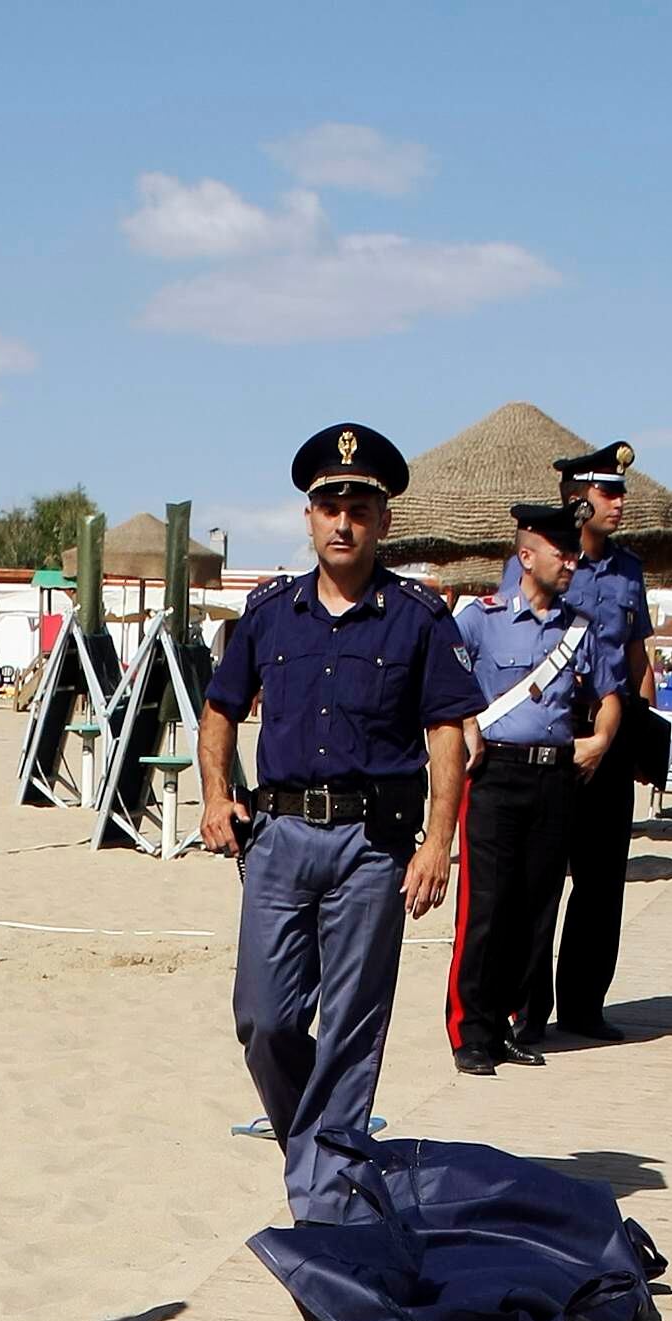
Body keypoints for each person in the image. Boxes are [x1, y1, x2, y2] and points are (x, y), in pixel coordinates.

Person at [199, 421, 481, 1211]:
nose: (343, 520)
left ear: (383, 520)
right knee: (264, 1020)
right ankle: (315, 1154)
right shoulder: (268, 614)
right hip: (280, 840)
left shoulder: (418, 617)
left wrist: (437, 844)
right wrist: (216, 793)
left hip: (373, 845)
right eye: (329, 504)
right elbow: (219, 710)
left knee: (353, 1029)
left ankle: (324, 1196)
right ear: (309, 517)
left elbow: (448, 738)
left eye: (359, 505)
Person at [445, 504, 624, 1076]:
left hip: (555, 777)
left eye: (574, 553)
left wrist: (600, 739)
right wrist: (468, 724)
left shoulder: (579, 629)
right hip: (495, 775)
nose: (571, 561)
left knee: (534, 908)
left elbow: (610, 692)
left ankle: (504, 1027)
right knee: (486, 908)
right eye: (561, 552)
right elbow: (443, 687)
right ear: (527, 557)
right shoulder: (480, 619)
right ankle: (470, 1031)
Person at [539, 440, 654, 1041]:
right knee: (540, 878)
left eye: (620, 492)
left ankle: (583, 1006)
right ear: (578, 497)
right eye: (608, 491)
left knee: (603, 880)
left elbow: (637, 658)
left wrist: (643, 738)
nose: (619, 502)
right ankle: (527, 1012)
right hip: (553, 735)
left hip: (610, 737)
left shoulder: (629, 570)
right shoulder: (543, 562)